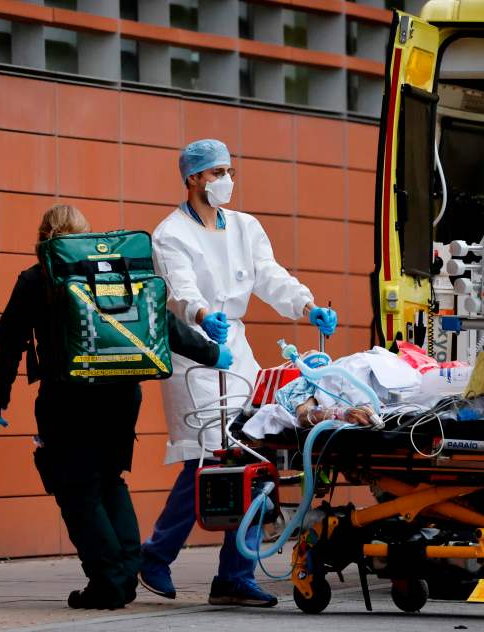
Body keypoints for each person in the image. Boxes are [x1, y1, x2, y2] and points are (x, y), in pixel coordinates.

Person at [0, 204, 234, 610]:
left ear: (43, 238)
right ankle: (126, 571)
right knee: (110, 479)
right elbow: (163, 323)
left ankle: (108, 582)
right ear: (84, 235)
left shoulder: (37, 279)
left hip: (68, 397)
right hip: (123, 394)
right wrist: (211, 353)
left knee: (76, 488)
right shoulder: (118, 273)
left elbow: (8, 339)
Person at [139, 139, 338, 607]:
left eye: (229, 170)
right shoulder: (170, 234)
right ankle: (156, 555)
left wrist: (307, 306)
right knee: (207, 460)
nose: (226, 180)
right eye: (216, 173)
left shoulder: (246, 227)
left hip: (238, 350)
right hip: (197, 354)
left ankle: (235, 573)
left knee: (252, 456)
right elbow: (180, 288)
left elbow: (270, 275)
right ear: (192, 178)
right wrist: (202, 314)